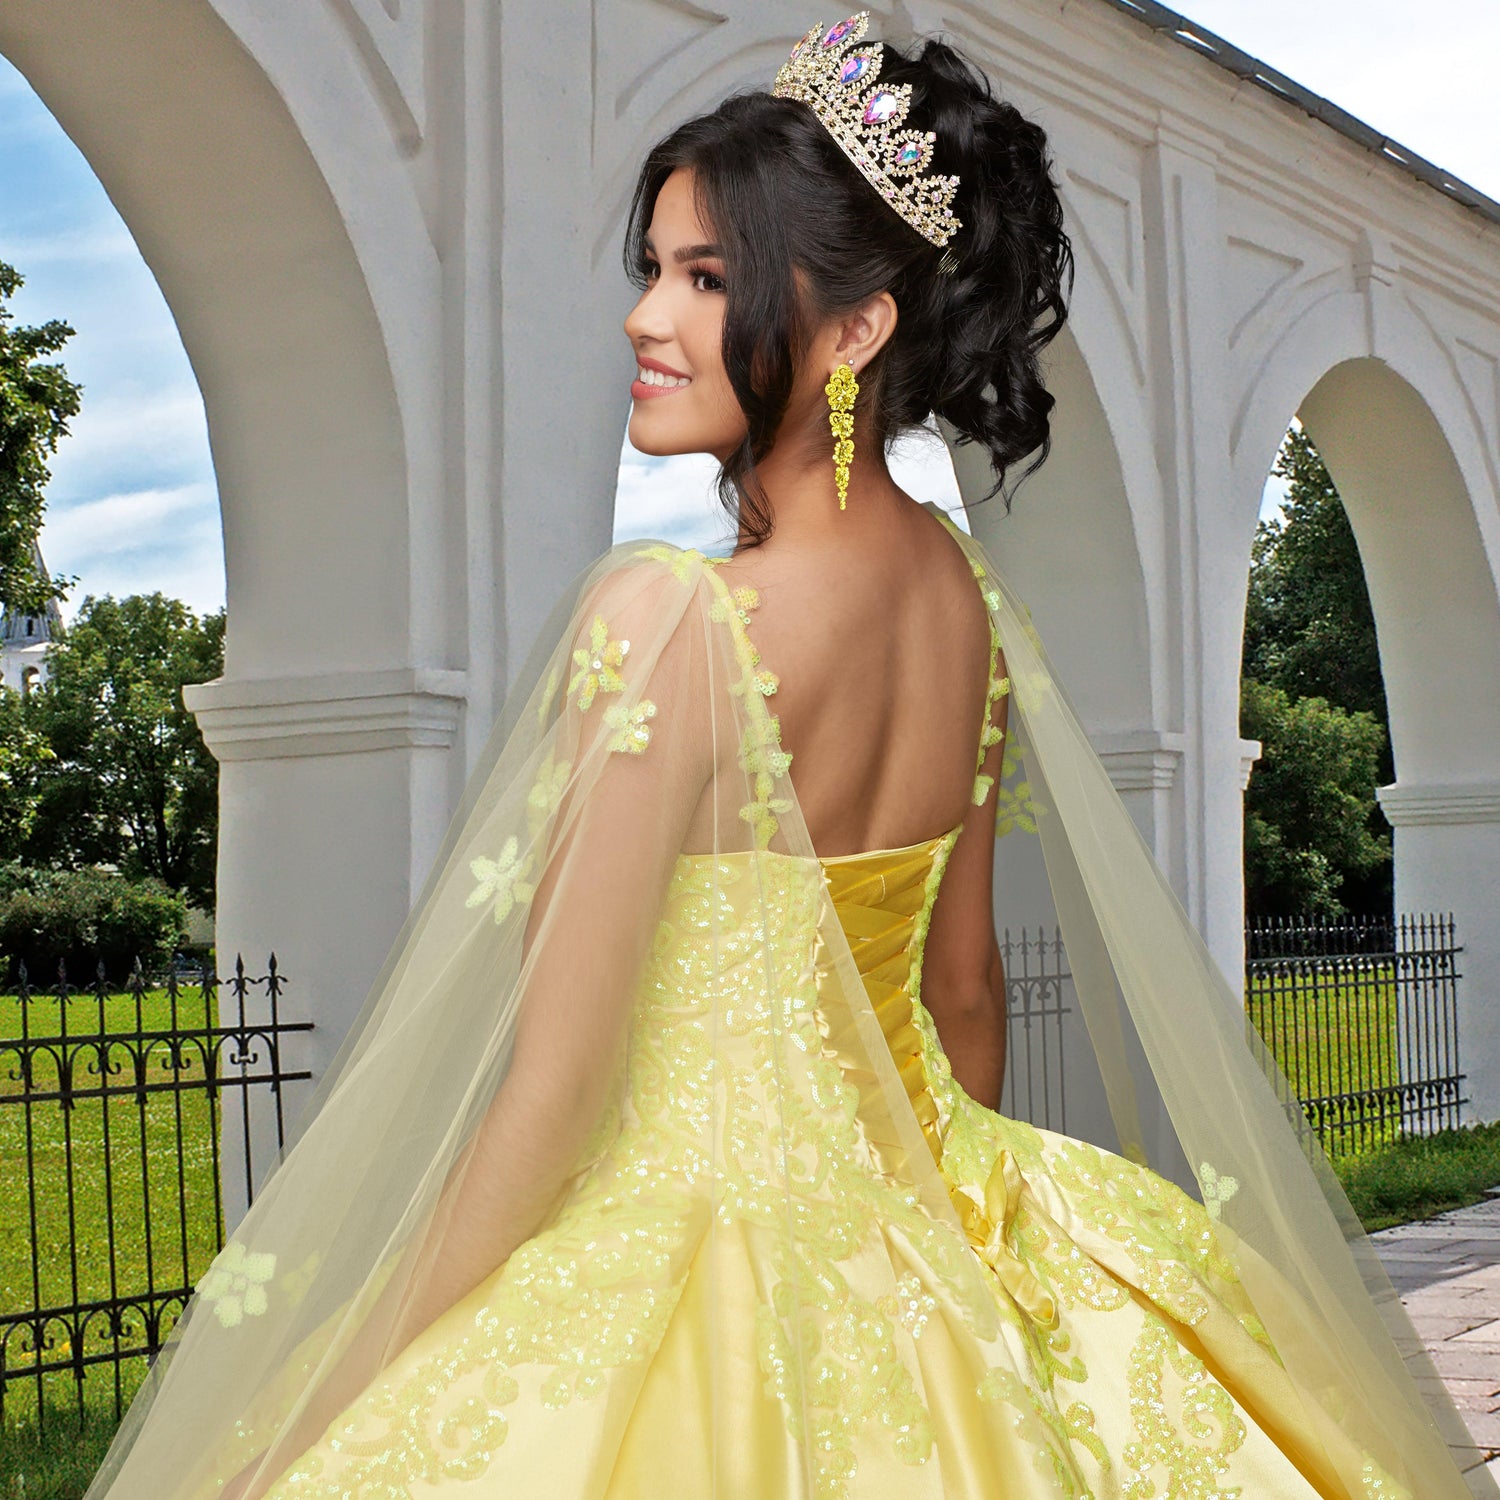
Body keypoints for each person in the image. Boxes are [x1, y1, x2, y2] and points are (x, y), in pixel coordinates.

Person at [84, 14, 1481, 1500]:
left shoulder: (671, 623)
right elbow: (964, 1000)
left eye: (704, 277)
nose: (645, 319)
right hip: (930, 1210)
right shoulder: (965, 600)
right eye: (652, 270)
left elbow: (549, 1100)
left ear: (856, 327)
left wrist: (323, 1406)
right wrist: (943, 1256)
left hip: (699, 1254)